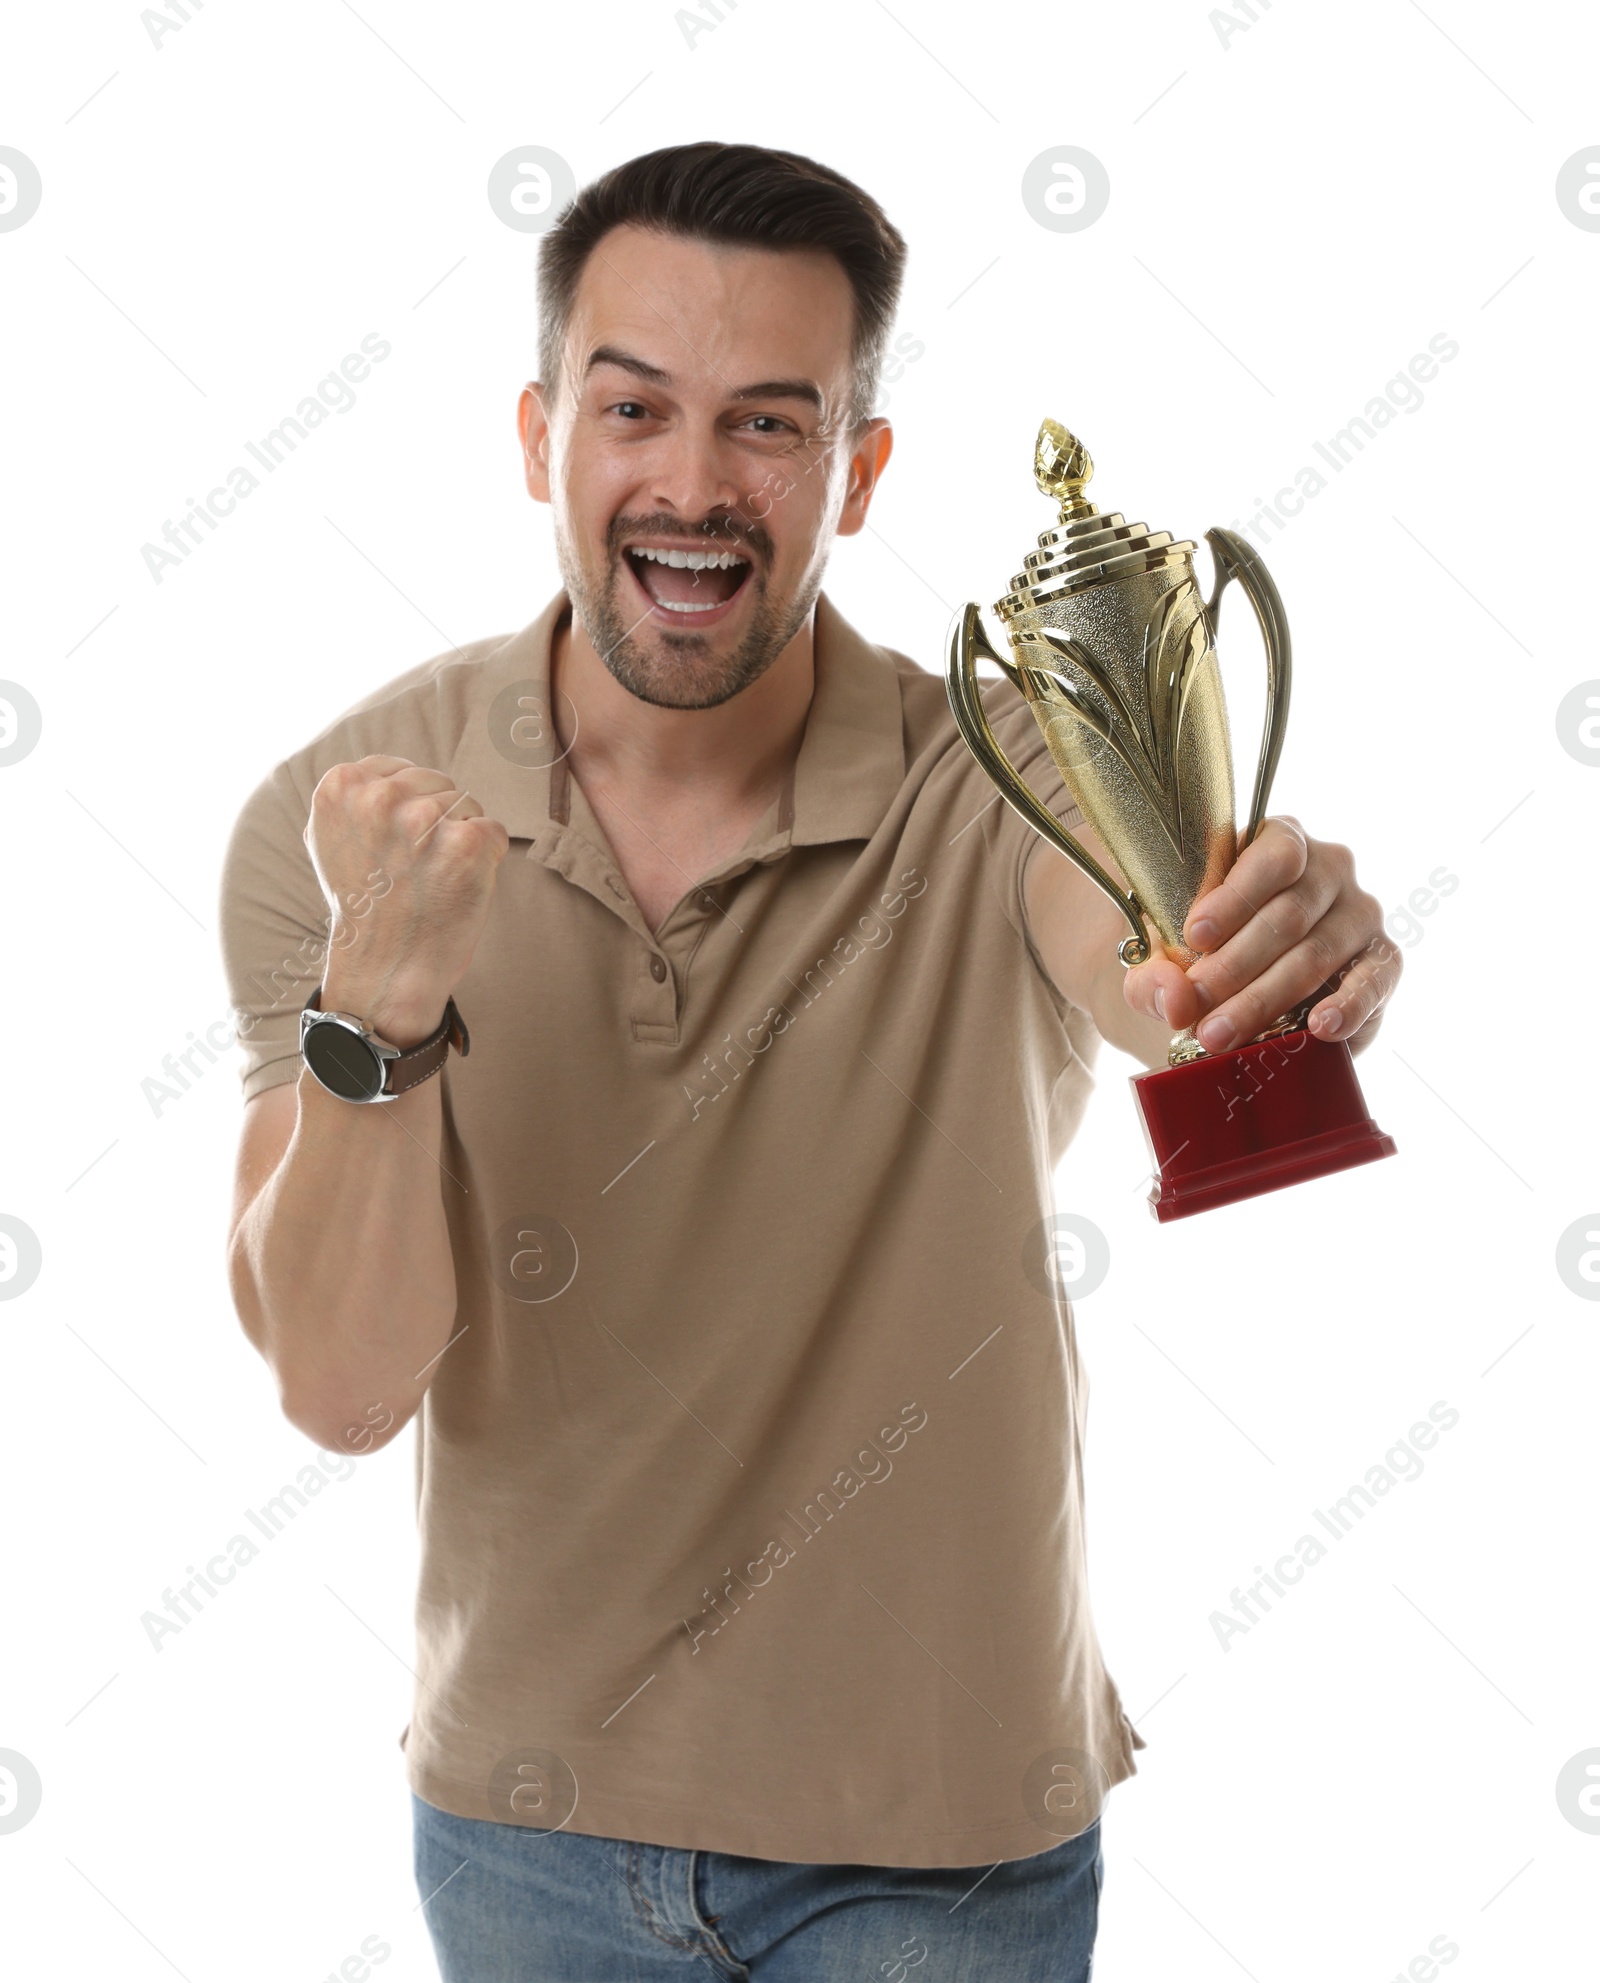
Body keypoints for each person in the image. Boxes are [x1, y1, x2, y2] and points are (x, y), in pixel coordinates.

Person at [220, 141, 1399, 1982]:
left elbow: (1165, 972)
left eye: (771, 425)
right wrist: (377, 1016)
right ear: (540, 437)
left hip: (937, 1840)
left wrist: (1268, 944)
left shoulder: (1010, 771)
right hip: (525, 1830)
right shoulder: (335, 819)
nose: (695, 486)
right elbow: (342, 1389)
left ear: (857, 473)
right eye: (636, 410)